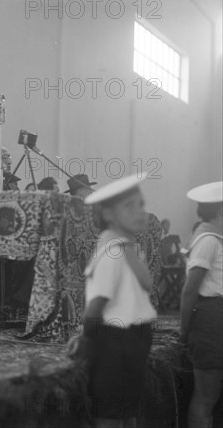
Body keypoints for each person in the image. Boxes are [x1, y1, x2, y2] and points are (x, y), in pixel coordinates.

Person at [78, 173, 156, 427]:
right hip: (114, 341)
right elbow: (96, 305)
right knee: (111, 412)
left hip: (135, 338)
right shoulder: (113, 253)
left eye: (141, 204)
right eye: (129, 206)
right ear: (109, 215)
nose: (139, 212)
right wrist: (85, 342)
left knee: (126, 407)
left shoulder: (129, 248)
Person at [179, 181, 222, 428]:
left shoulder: (215, 238)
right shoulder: (207, 239)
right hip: (211, 320)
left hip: (217, 318)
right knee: (206, 396)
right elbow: (189, 290)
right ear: (219, 210)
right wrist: (184, 329)